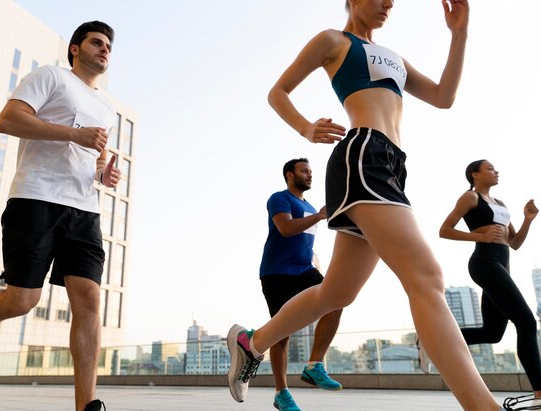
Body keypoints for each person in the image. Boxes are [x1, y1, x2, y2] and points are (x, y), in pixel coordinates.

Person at [227, 1, 506, 410]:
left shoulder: (395, 58)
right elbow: (278, 92)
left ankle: (253, 342)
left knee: (337, 292)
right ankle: (483, 407)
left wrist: (458, 34)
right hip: (363, 154)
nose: (389, 4)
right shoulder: (333, 41)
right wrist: (306, 127)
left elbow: (444, 97)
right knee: (426, 276)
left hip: (393, 164)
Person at [0, 21, 120, 411]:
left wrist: (104, 173)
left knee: (88, 299)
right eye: (96, 43)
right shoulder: (50, 77)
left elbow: (95, 156)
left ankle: (87, 405)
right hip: (35, 198)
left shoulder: (106, 106)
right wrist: (73, 134)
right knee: (22, 300)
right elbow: (8, 120)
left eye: (109, 47)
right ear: (74, 49)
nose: (105, 50)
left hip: (85, 209)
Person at [439, 159, 540, 405]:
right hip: (484, 263)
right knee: (526, 321)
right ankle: (540, 391)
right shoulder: (471, 198)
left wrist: (527, 219)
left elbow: (514, 243)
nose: (496, 172)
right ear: (475, 174)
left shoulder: (501, 204)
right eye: (490, 168)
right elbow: (444, 229)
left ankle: (433, 339)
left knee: (492, 333)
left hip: (501, 265)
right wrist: (478, 235)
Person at [260, 158, 343, 411]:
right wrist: (319, 216)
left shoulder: (307, 205)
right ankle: (281, 393)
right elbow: (285, 228)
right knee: (281, 335)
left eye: (310, 172)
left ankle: (314, 365)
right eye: (304, 171)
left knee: (337, 299)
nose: (309, 175)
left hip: (305, 271)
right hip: (277, 273)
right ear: (289, 174)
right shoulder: (280, 198)